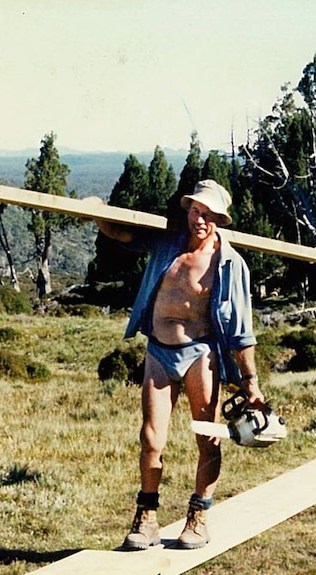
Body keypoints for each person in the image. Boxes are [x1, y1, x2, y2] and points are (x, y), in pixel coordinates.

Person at [93, 180, 265, 550]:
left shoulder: (229, 264)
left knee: (207, 437)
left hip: (200, 355)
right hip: (158, 351)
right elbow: (120, 232)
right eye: (195, 211)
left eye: (208, 214)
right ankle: (147, 518)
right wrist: (96, 211)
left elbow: (241, 330)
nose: (199, 219)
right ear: (187, 211)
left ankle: (198, 516)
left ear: (219, 219)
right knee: (151, 437)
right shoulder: (167, 242)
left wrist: (250, 383)